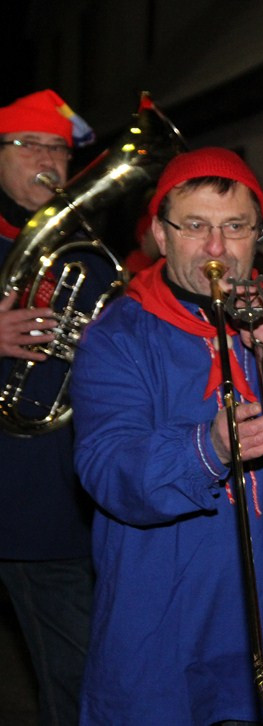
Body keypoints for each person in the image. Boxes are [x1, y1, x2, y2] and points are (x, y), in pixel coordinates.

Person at [68, 147, 263, 725]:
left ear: (254, 235)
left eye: (235, 228)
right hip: (167, 634)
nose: (217, 249)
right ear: (162, 236)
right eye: (195, 227)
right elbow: (108, 470)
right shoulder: (118, 335)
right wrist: (208, 448)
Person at [0, 88, 98, 726]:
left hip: (49, 500)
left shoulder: (87, 254)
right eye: (28, 144)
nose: (47, 159)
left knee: (79, 678)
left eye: (58, 149)